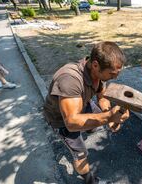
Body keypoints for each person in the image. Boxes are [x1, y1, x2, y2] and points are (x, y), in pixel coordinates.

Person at [43, 41, 130, 184]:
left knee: (94, 123)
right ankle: (90, 180)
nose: (115, 77)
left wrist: (111, 116)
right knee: (81, 154)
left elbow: (102, 98)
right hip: (61, 120)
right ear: (95, 65)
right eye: (112, 74)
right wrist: (108, 117)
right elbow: (71, 123)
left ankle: (89, 129)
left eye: (117, 73)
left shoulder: (98, 73)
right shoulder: (69, 80)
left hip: (83, 105)